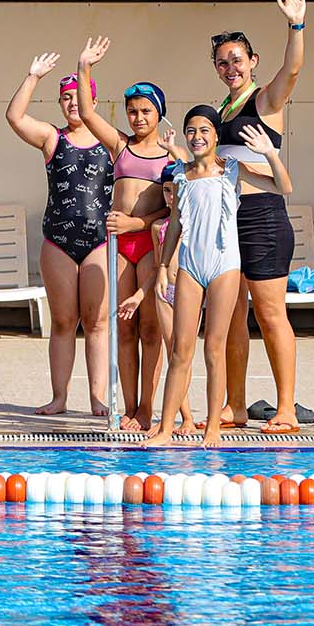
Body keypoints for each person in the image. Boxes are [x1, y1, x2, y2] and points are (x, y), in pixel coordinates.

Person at [146, 111, 291, 447]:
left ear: (215, 135)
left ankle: (212, 427)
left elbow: (284, 187)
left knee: (214, 347)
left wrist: (270, 153)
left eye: (204, 130)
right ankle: (167, 429)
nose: (197, 136)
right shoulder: (181, 175)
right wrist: (164, 267)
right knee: (181, 350)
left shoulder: (232, 170)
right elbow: (176, 224)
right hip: (190, 267)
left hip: (224, 267)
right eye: (191, 131)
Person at [211, 0, 308, 433]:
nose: (230, 67)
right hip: (227, 221)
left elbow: (292, 71)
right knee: (233, 316)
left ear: (253, 62)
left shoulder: (264, 100)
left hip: (263, 218)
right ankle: (235, 405)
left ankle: (286, 408)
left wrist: (296, 25)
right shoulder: (223, 109)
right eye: (222, 62)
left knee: (270, 315)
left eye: (237, 59)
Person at [6, 52, 116, 421]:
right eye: (66, 97)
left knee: (98, 323)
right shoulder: (52, 139)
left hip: (99, 240)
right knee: (64, 321)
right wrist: (32, 75)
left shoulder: (112, 141)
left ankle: (98, 398)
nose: (72, 102)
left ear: (92, 101)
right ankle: (59, 397)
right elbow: (15, 118)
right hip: (58, 241)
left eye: (78, 96)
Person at [73, 41, 173, 432]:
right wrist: (84, 67)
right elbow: (85, 111)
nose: (137, 117)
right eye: (132, 111)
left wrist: (139, 223)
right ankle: (128, 406)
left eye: (146, 111)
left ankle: (148, 406)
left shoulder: (170, 155)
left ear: (159, 113)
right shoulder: (120, 146)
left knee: (150, 328)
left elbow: (173, 210)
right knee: (123, 327)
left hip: (150, 243)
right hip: (119, 247)